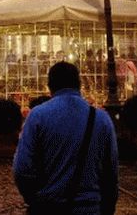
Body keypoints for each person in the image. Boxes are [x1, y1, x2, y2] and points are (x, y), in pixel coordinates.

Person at [13, 62, 118, 214]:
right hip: (89, 209)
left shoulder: (37, 116)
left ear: (50, 86)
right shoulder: (101, 119)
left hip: (49, 207)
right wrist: (106, 208)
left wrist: (35, 199)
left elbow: (22, 169)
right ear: (79, 85)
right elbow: (111, 173)